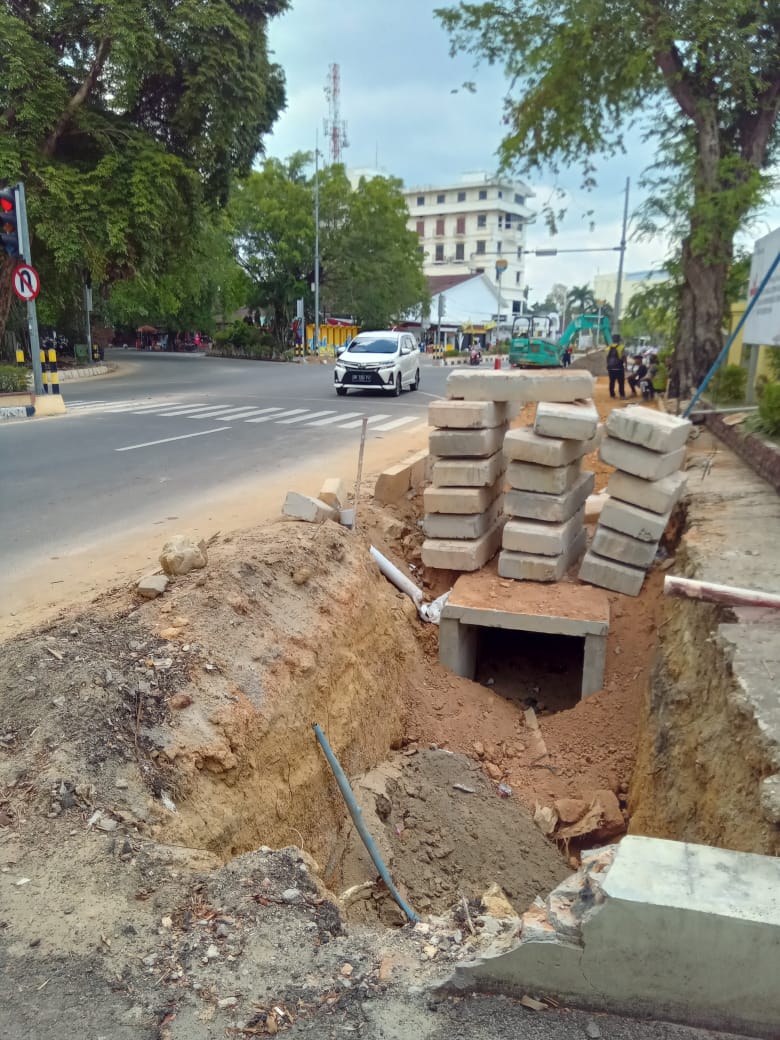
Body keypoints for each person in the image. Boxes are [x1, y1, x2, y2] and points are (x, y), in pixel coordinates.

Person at [606, 334, 626, 398]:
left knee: (612, 382)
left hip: (611, 368)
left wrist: (608, 365)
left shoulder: (608, 348)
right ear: (619, 340)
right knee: (621, 382)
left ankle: (612, 395)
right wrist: (626, 365)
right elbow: (624, 357)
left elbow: (607, 358)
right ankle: (622, 395)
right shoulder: (621, 347)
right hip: (619, 368)